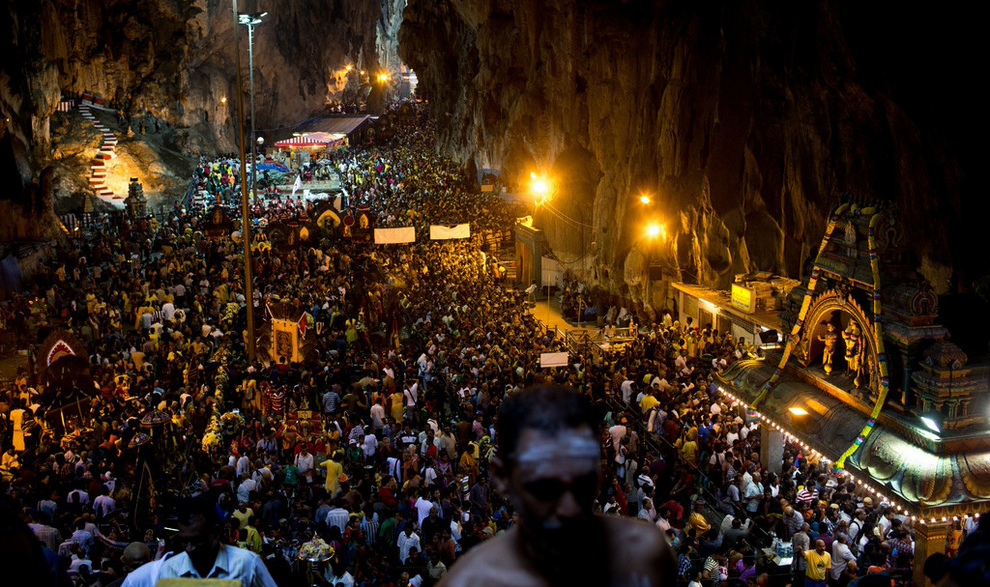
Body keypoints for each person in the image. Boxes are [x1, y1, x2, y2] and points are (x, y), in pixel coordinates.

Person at [439, 385, 674, 586]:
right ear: (502, 477)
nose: (568, 503)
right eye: (545, 484)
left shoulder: (643, 556)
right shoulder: (474, 580)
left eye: (582, 475)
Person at [155, 497, 276, 586]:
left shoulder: (247, 565)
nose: (189, 548)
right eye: (184, 541)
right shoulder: (170, 570)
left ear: (217, 532)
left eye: (197, 540)